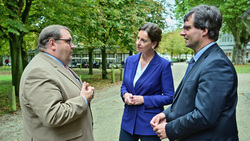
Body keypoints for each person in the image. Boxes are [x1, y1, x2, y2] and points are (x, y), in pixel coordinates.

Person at [150, 5, 238, 141]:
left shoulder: (217, 65)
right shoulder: (202, 59)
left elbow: (205, 116)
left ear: (204, 30)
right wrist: (167, 115)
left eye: (187, 28)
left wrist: (169, 129)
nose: (182, 33)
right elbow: (188, 101)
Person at [19, 25, 95, 141]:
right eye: (69, 41)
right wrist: (83, 99)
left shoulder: (57, 65)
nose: (73, 46)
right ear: (52, 43)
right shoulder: (39, 71)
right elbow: (52, 115)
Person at [120, 23, 175, 141]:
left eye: (143, 40)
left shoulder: (163, 65)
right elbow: (124, 85)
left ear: (154, 44)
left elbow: (169, 97)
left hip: (149, 123)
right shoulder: (130, 60)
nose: (138, 43)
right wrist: (125, 94)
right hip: (128, 122)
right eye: (138, 38)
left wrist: (144, 99)